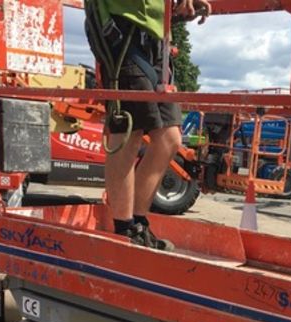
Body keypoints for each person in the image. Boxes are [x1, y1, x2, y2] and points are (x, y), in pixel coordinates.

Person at [85, 0, 211, 250]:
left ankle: (138, 222)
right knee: (128, 132)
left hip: (156, 38)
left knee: (169, 139)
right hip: (123, 29)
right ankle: (124, 228)